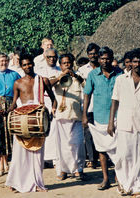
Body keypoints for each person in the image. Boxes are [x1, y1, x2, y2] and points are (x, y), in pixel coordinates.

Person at [107, 48, 140, 197]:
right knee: (123, 156)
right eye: (135, 61)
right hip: (123, 124)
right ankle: (124, 183)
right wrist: (111, 123)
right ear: (131, 63)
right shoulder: (121, 80)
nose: (137, 64)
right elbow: (114, 101)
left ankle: (138, 189)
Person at [5, 54, 57, 192]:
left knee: (37, 155)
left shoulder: (42, 80)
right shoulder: (18, 83)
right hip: (22, 119)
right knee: (19, 154)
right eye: (24, 65)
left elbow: (53, 98)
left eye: (29, 64)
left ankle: (37, 183)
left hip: (38, 119)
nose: (27, 67)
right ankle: (16, 183)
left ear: (33, 64)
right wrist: (8, 112)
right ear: (21, 66)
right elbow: (14, 102)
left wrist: (52, 110)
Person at [83, 47, 122, 190]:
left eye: (107, 58)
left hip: (118, 116)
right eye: (102, 58)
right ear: (98, 59)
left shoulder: (120, 74)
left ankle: (119, 177)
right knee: (102, 149)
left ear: (112, 59)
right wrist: (84, 115)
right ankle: (106, 178)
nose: (105, 61)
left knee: (119, 149)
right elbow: (87, 95)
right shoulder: (93, 75)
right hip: (99, 117)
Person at [49, 53, 86, 181]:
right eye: (64, 63)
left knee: (77, 144)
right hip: (61, 116)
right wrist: (60, 77)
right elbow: (48, 84)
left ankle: (78, 169)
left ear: (72, 63)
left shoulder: (78, 77)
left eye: (69, 63)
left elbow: (86, 86)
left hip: (76, 116)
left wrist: (75, 75)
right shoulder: (56, 75)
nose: (67, 65)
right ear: (60, 65)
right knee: (62, 145)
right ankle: (64, 170)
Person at [34, 48, 61, 164]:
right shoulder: (39, 70)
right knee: (44, 130)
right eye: (49, 57)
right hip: (45, 101)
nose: (52, 59)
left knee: (55, 131)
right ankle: (44, 159)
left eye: (54, 57)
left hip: (58, 101)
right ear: (45, 57)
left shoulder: (60, 69)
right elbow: (45, 84)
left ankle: (55, 158)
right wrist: (59, 78)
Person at [77, 43, 101, 169]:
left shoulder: (103, 68)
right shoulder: (82, 71)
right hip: (88, 107)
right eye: (90, 54)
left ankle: (102, 158)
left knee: (101, 133)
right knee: (88, 134)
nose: (93, 56)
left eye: (95, 53)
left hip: (101, 107)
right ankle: (92, 159)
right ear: (87, 55)